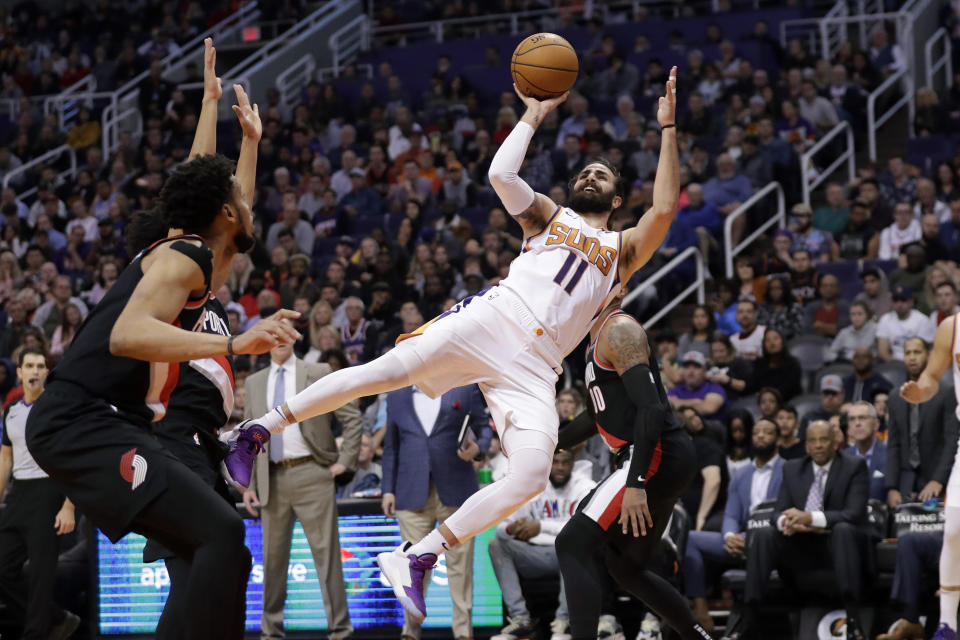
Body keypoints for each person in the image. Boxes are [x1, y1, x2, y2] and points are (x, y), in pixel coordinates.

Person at [231, 70, 682, 623]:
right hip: (497, 317)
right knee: (380, 373)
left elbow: (663, 210)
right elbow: (500, 172)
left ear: (616, 197)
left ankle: (420, 556)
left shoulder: (622, 249)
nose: (591, 174)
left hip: (538, 368)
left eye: (603, 174)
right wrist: (535, 114)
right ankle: (258, 428)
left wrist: (667, 129)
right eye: (585, 170)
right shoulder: (547, 215)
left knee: (531, 473)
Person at [24, 47, 300, 638]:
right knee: (221, 539)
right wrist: (235, 344)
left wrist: (232, 128)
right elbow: (126, 335)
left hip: (109, 424)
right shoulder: (183, 257)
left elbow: (208, 186)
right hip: (83, 420)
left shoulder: (193, 252)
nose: (253, 206)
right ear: (225, 211)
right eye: (240, 201)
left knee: (226, 551)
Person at [554, 308, 709, 640]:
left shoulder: (620, 330)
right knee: (626, 567)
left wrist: (636, 481)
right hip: (658, 455)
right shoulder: (595, 340)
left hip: (652, 453)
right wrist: (554, 443)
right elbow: (597, 415)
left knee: (572, 543)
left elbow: (650, 407)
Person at [241, 333, 363, 640]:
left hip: (313, 472)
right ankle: (270, 633)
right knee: (272, 561)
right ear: (266, 342)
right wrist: (249, 484)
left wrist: (345, 461)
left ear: (295, 339)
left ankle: (340, 630)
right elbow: (248, 439)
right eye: (275, 333)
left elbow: (352, 416)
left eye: (287, 333)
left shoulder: (318, 371)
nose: (281, 339)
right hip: (272, 477)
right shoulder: (254, 382)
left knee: (328, 557)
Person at [724, 420, 870, 640]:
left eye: (824, 439)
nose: (818, 445)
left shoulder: (854, 466)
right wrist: (787, 522)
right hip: (801, 548)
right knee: (764, 535)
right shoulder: (792, 468)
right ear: (806, 445)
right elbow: (777, 513)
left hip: (837, 547)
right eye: (812, 440)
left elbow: (854, 513)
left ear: (835, 443)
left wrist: (810, 518)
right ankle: (748, 618)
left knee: (844, 530)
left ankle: (853, 621)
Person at [380, 385, 491, 640]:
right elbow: (391, 447)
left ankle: (464, 633)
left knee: (460, 567)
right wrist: (387, 489)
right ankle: (410, 632)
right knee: (411, 568)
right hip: (410, 491)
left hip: (457, 490)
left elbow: (485, 427)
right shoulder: (396, 394)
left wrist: (479, 448)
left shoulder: (464, 388)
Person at [0, 348, 80, 640]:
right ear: (19, 372)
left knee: (41, 576)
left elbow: (73, 458)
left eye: (40, 366)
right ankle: (57, 618)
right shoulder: (11, 410)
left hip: (50, 490)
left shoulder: (57, 407)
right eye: (29, 366)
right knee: (3, 569)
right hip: (19, 493)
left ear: (47, 372)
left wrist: (69, 506)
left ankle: (37, 633)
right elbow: (6, 458)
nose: (35, 371)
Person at [683, 418, 783, 633]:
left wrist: (746, 538)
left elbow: (782, 513)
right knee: (689, 537)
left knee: (762, 536)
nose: (761, 436)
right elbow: (731, 513)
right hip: (739, 539)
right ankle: (700, 606)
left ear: (778, 439)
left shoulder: (790, 470)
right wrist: (729, 535)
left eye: (767, 432)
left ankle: (745, 623)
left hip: (770, 539)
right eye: (757, 432)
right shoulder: (742, 474)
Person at [488, 448, 596, 640]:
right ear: (547, 463)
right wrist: (512, 529)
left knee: (573, 546)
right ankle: (520, 619)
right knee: (496, 545)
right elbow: (501, 530)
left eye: (565, 462)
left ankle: (563, 623)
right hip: (535, 555)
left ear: (573, 462)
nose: (560, 468)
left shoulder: (586, 488)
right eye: (555, 462)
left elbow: (584, 530)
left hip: (568, 557)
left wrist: (540, 527)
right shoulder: (532, 485)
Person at [899, 314, 960, 640]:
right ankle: (947, 625)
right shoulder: (952, 327)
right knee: (952, 529)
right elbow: (932, 376)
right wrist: (922, 392)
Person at [887, 337, 959, 506]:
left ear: (928, 355)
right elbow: (893, 444)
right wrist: (891, 487)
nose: (912, 357)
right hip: (904, 483)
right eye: (907, 353)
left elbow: (952, 441)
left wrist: (938, 480)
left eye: (917, 352)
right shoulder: (895, 397)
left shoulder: (946, 393)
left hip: (937, 480)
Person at [877, 286, 936, 361]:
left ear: (911, 302)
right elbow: (882, 352)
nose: (899, 304)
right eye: (896, 300)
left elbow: (927, 351)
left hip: (917, 363)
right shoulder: (885, 319)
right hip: (893, 363)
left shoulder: (922, 320)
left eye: (903, 300)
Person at [844, 401, 888, 501]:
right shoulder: (841, 457)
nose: (857, 423)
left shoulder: (890, 455)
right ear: (849, 428)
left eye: (862, 418)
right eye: (852, 419)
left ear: (876, 424)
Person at [746, 328, 803, 402]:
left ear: (783, 342)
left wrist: (769, 395)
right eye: (768, 340)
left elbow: (789, 389)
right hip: (763, 403)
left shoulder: (793, 364)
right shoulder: (759, 364)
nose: (772, 343)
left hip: (788, 403)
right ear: (764, 345)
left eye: (776, 338)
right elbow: (753, 386)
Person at [668, 351, 727, 421]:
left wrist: (678, 403)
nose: (691, 371)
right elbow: (667, 408)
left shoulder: (714, 388)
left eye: (696, 367)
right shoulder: (675, 390)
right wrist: (696, 402)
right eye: (687, 367)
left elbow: (709, 408)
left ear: (704, 371)